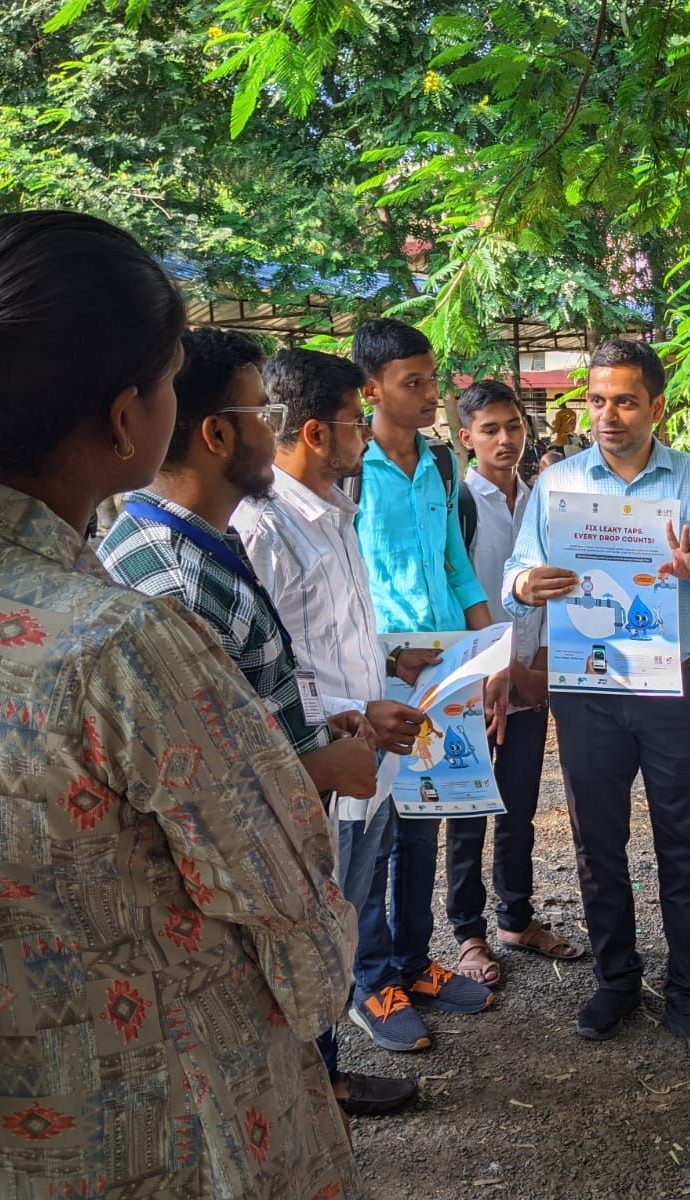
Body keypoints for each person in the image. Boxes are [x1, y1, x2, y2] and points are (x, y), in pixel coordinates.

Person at [0, 211, 358, 1197]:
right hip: (166, 1139)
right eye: (175, 377)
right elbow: (304, 939)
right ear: (130, 417)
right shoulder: (118, 646)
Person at [97, 330, 420, 1119]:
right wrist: (323, 766)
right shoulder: (174, 578)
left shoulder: (197, 546)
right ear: (216, 433)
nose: (272, 428)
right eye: (260, 410)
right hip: (246, 865)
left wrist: (332, 722)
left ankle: (314, 1080)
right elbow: (199, 777)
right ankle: (307, 1088)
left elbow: (244, 703)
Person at [503, 338, 690, 1068]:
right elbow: (518, 569)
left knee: (686, 847)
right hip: (588, 690)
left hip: (673, 683)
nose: (606, 415)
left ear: (657, 407)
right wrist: (525, 587)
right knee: (597, 846)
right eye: (596, 399)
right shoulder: (558, 486)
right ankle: (616, 981)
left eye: (624, 400)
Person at [232, 348, 454, 1073]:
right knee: (318, 932)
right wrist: (355, 710)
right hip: (323, 769)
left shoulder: (333, 510)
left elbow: (325, 634)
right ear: (316, 434)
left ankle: (328, 1071)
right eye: (354, 422)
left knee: (345, 920)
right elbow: (256, 673)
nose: (364, 434)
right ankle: (318, 1077)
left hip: (369, 764)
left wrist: (391, 661)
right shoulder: (262, 529)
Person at [351, 316, 503, 1005]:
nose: (431, 394)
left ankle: (416, 962)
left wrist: (486, 650)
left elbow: (456, 564)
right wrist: (389, 653)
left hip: (445, 665)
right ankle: (373, 979)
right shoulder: (351, 470)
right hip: (382, 668)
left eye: (433, 379)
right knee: (374, 830)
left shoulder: (443, 462)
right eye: (414, 383)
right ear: (370, 389)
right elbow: (347, 578)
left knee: (424, 822)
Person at [445, 380, 586, 963]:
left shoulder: (543, 501)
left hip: (533, 680)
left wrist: (541, 667)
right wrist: (491, 668)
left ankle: (516, 917)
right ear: (466, 438)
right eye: (490, 429)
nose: (505, 440)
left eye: (514, 427)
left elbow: (565, 587)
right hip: (474, 682)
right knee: (467, 808)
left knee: (520, 806)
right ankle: (468, 932)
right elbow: (455, 592)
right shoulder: (456, 505)